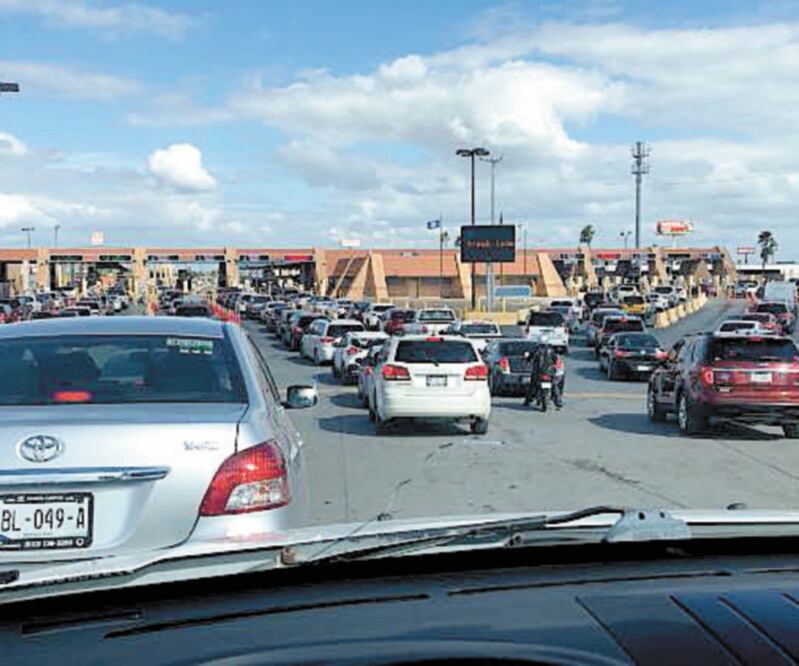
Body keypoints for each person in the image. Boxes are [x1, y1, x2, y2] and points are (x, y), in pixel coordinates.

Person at [524, 344, 564, 409]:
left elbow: (529, 358)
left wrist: (527, 360)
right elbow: (556, 360)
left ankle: (528, 400)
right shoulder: (551, 351)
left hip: (540, 372)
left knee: (532, 385)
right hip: (548, 372)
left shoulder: (536, 350)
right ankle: (558, 402)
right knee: (554, 386)